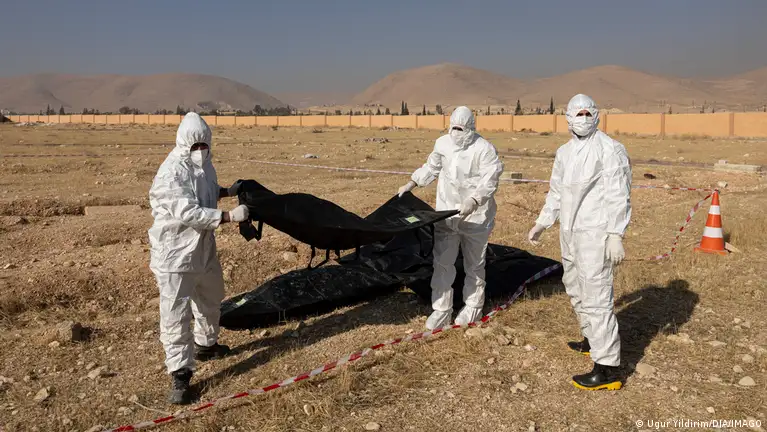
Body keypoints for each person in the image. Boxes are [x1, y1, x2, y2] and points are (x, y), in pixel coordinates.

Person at [528, 94, 631, 390]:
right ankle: (590, 339)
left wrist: (615, 234)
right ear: (568, 118)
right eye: (578, 113)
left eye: (588, 113)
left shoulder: (610, 149)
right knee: (574, 286)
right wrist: (543, 221)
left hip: (596, 233)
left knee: (597, 296)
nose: (583, 118)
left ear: (596, 115)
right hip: (570, 232)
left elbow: (618, 193)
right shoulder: (565, 152)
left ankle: (607, 368)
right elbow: (556, 191)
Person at [148, 112, 250, 404]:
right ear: (183, 144)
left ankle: (206, 344)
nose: (200, 150)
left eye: (204, 145)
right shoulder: (171, 172)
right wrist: (228, 216)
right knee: (176, 312)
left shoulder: (205, 166)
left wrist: (227, 192)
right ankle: (180, 372)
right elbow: (188, 211)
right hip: (175, 255)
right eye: (195, 146)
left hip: (202, 249)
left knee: (211, 297)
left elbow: (206, 193)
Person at [398, 106, 504, 330]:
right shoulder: (442, 144)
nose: (456, 133)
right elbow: (432, 167)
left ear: (471, 128)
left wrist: (474, 200)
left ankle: (473, 306)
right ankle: (442, 309)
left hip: (476, 217)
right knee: (442, 262)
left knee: (474, 264)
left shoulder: (484, 149)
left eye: (461, 129)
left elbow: (490, 180)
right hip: (447, 214)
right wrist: (412, 182)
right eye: (453, 128)